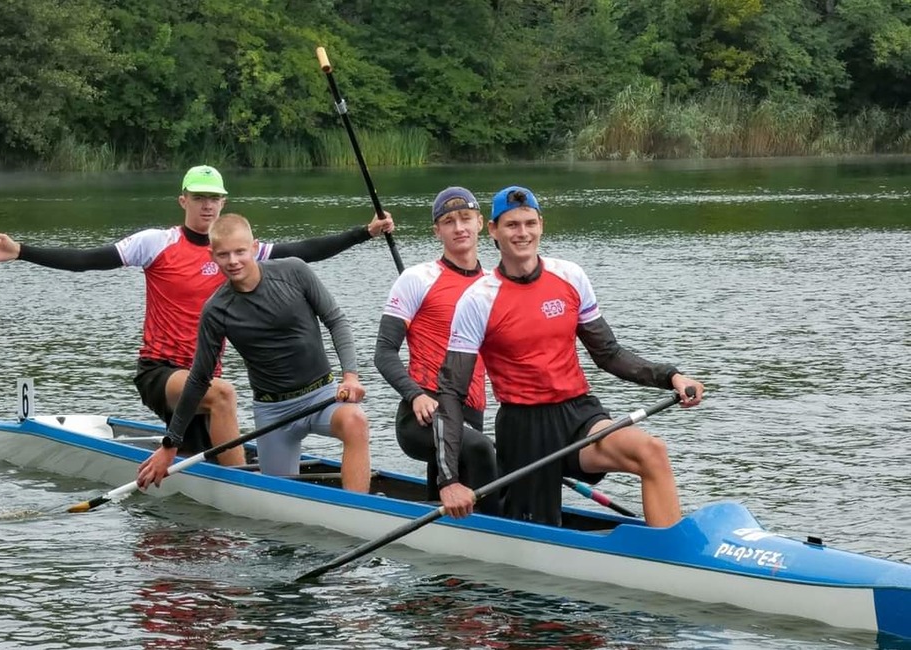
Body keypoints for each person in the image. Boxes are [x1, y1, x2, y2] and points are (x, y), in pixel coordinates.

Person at [0, 165, 393, 467]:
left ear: (223, 204)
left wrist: (364, 233)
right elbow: (88, 259)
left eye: (214, 198)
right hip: (160, 372)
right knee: (224, 393)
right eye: (199, 198)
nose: (207, 206)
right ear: (184, 201)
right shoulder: (156, 243)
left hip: (199, 375)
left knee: (215, 402)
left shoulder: (238, 250)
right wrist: (22, 252)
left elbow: (307, 250)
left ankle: (220, 468)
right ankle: (241, 487)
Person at [434, 185, 704, 526]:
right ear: (493, 230)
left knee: (651, 451)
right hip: (524, 427)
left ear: (541, 225)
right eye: (512, 225)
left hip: (579, 414)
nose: (523, 233)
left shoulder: (570, 276)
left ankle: (669, 559)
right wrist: (449, 481)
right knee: (538, 527)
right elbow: (451, 392)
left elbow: (609, 354)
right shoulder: (477, 299)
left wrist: (671, 377)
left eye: (530, 223)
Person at [136, 213, 370, 491]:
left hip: (323, 395)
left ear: (255, 248)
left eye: (240, 252)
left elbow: (336, 320)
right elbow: (199, 379)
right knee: (280, 500)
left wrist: (351, 376)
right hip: (273, 413)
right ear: (212, 255)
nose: (233, 261)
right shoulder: (216, 310)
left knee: (355, 420)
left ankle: (354, 510)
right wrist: (170, 444)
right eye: (223, 255)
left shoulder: (294, 271)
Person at [374, 187, 499, 514]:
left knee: (457, 491)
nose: (459, 227)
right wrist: (415, 395)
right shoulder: (417, 279)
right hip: (423, 413)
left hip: (471, 413)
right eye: (448, 221)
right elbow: (384, 352)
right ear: (437, 231)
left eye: (465, 218)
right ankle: (505, 534)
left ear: (480, 223)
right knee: (484, 452)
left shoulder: (495, 284)